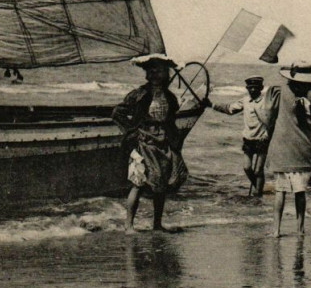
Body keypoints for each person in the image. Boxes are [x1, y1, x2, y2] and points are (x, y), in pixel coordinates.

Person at [113, 54, 188, 233]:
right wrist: (132, 131)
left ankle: (157, 224)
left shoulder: (170, 97)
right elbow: (117, 113)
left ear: (166, 73)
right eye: (151, 70)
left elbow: (172, 120)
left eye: (160, 70)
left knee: (160, 185)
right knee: (138, 183)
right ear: (147, 74)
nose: (155, 74)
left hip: (162, 144)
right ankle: (128, 226)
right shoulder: (139, 94)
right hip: (142, 143)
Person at [265, 61, 311, 237]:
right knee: (300, 192)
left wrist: (269, 140)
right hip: (302, 147)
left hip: (281, 146)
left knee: (280, 192)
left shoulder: (279, 90)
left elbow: (269, 117)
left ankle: (276, 230)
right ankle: (300, 229)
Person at [205, 76, 272, 196]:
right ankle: (258, 188)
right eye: (250, 88)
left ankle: (258, 194)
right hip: (248, 139)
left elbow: (271, 120)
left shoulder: (265, 102)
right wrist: (212, 105)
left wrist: (267, 133)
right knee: (247, 168)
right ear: (247, 88)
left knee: (258, 171)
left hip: (262, 139)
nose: (252, 90)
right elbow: (230, 109)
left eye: (255, 88)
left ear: (261, 88)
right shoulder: (245, 101)